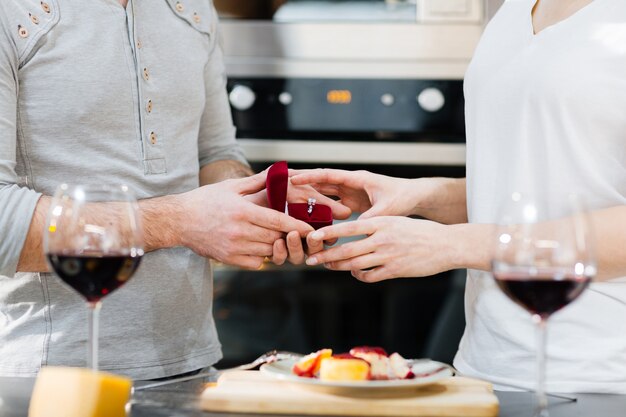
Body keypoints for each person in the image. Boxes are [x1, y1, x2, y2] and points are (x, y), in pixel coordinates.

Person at [290, 0, 626, 394]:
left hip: (602, 379)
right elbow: (528, 191)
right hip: (483, 372)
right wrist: (421, 196)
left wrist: (452, 245)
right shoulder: (514, 10)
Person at [0, 0, 349, 379]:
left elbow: (215, 153)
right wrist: (179, 222)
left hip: (192, 364)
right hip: (43, 377)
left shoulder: (194, 8)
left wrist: (256, 202)